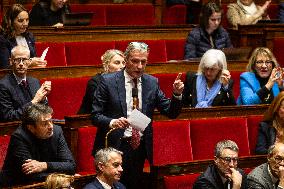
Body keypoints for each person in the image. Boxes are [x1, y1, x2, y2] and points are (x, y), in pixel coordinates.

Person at [91, 41, 184, 189]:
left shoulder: (151, 83)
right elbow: (95, 115)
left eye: (143, 62)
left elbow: (171, 112)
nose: (139, 66)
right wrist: (113, 122)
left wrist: (177, 94)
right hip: (114, 147)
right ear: (126, 60)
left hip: (138, 148)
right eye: (135, 61)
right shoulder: (108, 81)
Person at [0, 103, 76, 186]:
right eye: (44, 123)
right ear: (31, 127)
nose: (50, 126)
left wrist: (45, 165)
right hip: (19, 185)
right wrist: (62, 177)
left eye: (50, 121)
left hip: (49, 183)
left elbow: (71, 166)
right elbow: (31, 175)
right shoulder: (19, 137)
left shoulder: (57, 131)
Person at [0, 45, 51, 122]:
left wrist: (44, 98)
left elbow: (44, 110)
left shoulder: (35, 82)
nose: (21, 63)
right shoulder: (3, 85)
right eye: (17, 60)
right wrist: (34, 101)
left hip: (38, 124)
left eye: (24, 60)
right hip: (19, 128)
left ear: (30, 62)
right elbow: (8, 116)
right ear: (11, 61)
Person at [78, 49, 125, 114]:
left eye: (123, 63)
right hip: (87, 120)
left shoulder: (125, 81)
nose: (122, 66)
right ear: (106, 64)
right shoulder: (95, 82)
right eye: (117, 63)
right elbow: (100, 107)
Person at [0, 4, 47, 69]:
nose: (25, 24)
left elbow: (33, 58)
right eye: (20, 21)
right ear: (11, 21)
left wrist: (38, 63)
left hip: (30, 74)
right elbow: (5, 66)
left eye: (27, 20)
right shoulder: (3, 39)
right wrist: (29, 63)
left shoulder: (30, 36)